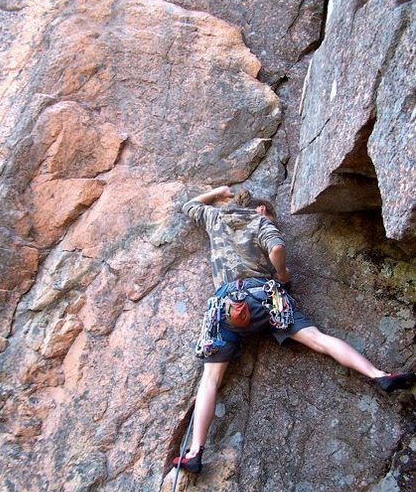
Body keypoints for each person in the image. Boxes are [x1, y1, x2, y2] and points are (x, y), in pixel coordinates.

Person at [173, 185, 415, 474]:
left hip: (226, 307)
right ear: (262, 210)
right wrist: (282, 273)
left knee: (210, 379)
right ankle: (379, 375)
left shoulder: (214, 219)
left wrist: (217, 192)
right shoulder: (259, 220)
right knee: (318, 339)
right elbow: (276, 248)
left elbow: (188, 205)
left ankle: (195, 451)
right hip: (265, 297)